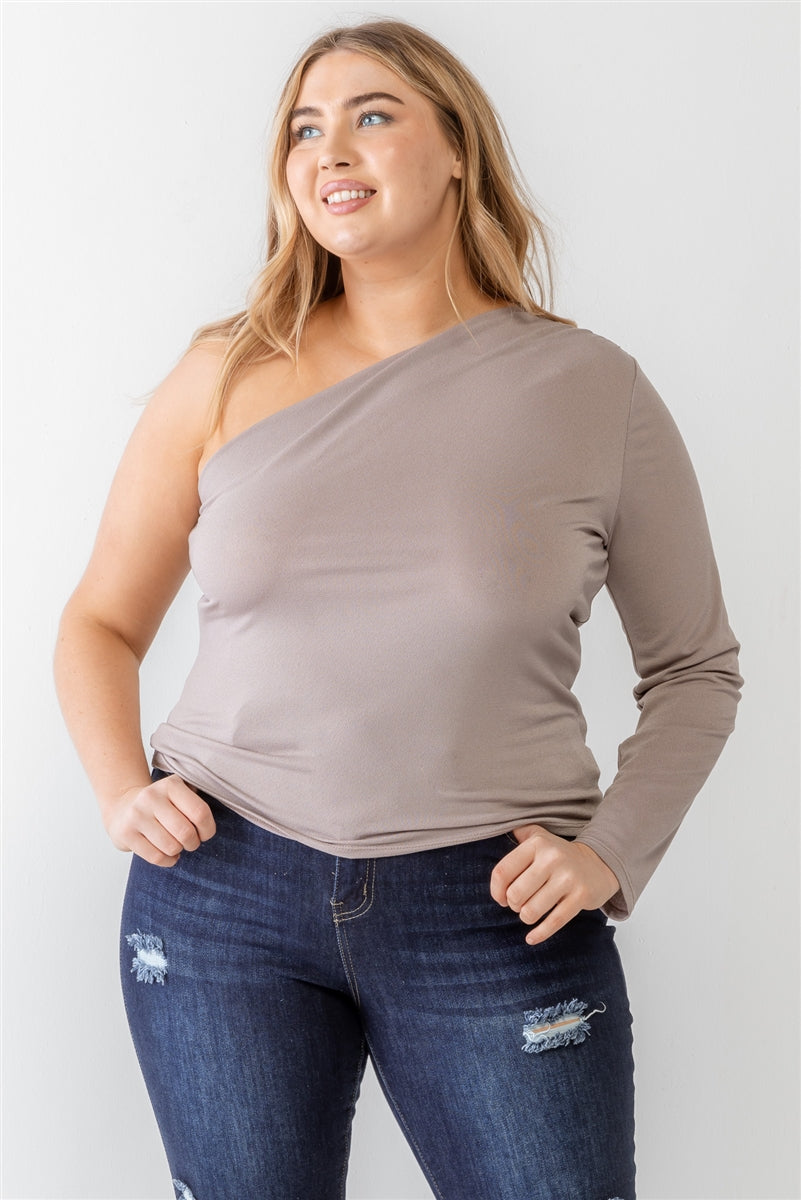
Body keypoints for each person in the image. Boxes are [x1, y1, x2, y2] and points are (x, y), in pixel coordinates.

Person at [54, 18, 741, 1200]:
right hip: (223, 889)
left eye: (373, 115)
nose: (331, 149)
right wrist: (123, 789)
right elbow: (100, 623)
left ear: (458, 146)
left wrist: (609, 855)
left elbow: (696, 670)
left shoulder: (593, 391)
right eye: (303, 129)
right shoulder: (223, 373)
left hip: (494, 907)